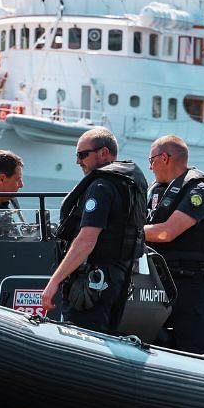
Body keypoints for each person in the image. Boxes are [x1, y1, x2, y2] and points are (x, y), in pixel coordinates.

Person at [41, 127, 147, 334]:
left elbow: (86, 240)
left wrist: (54, 282)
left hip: (93, 282)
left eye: (83, 155)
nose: (78, 161)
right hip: (119, 276)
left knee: (83, 340)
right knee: (106, 335)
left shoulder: (101, 187)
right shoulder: (130, 183)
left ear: (104, 153)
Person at [144, 135, 204, 353]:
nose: (149, 167)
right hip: (157, 283)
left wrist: (128, 233)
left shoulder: (199, 192)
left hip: (190, 284)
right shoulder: (154, 192)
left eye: (151, 160)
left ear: (165, 158)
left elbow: (166, 233)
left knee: (191, 348)